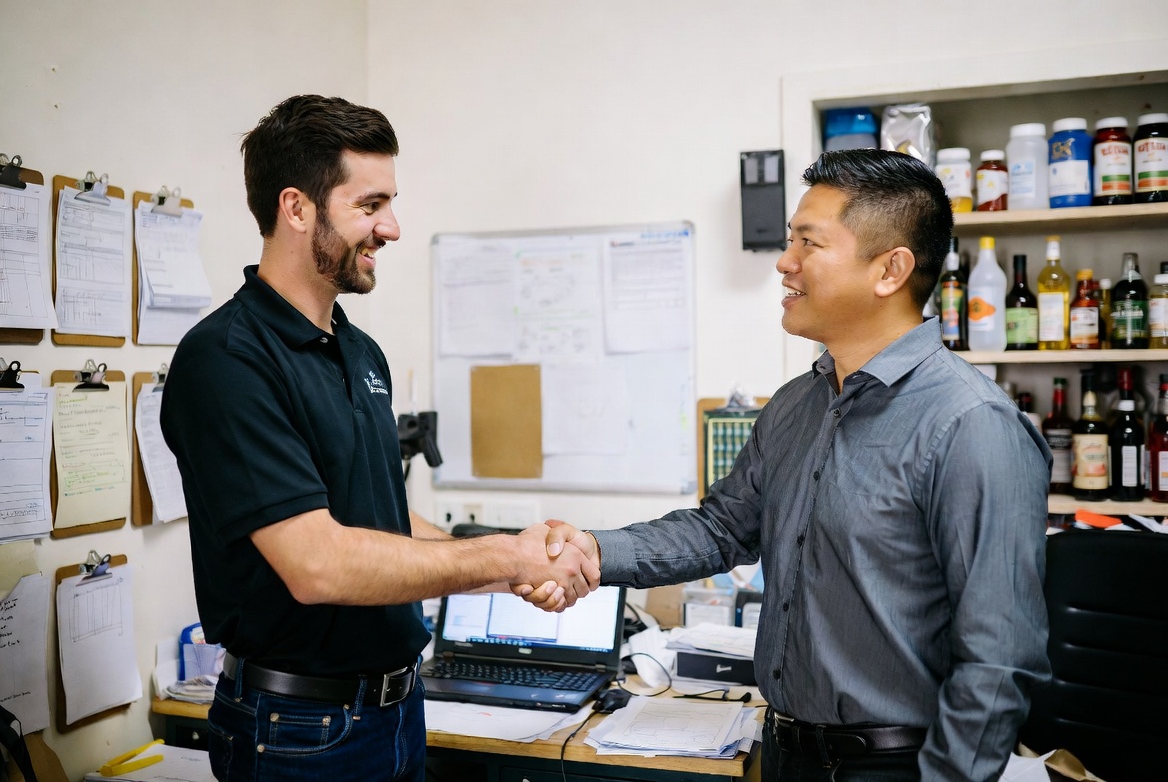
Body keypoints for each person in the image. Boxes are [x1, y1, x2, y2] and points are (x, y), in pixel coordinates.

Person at [528, 149, 1052, 781]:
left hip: (896, 768)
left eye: (809, 242)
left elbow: (999, 663)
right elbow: (722, 528)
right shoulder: (798, 404)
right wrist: (593, 550)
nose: (784, 262)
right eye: (788, 241)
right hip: (783, 754)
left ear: (890, 269)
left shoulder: (971, 425)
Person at [160, 95, 598, 782]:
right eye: (371, 205)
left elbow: (379, 522)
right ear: (297, 208)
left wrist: (496, 558)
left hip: (395, 711)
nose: (391, 228)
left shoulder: (359, 352)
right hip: (300, 731)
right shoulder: (228, 359)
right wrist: (506, 560)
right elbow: (320, 565)